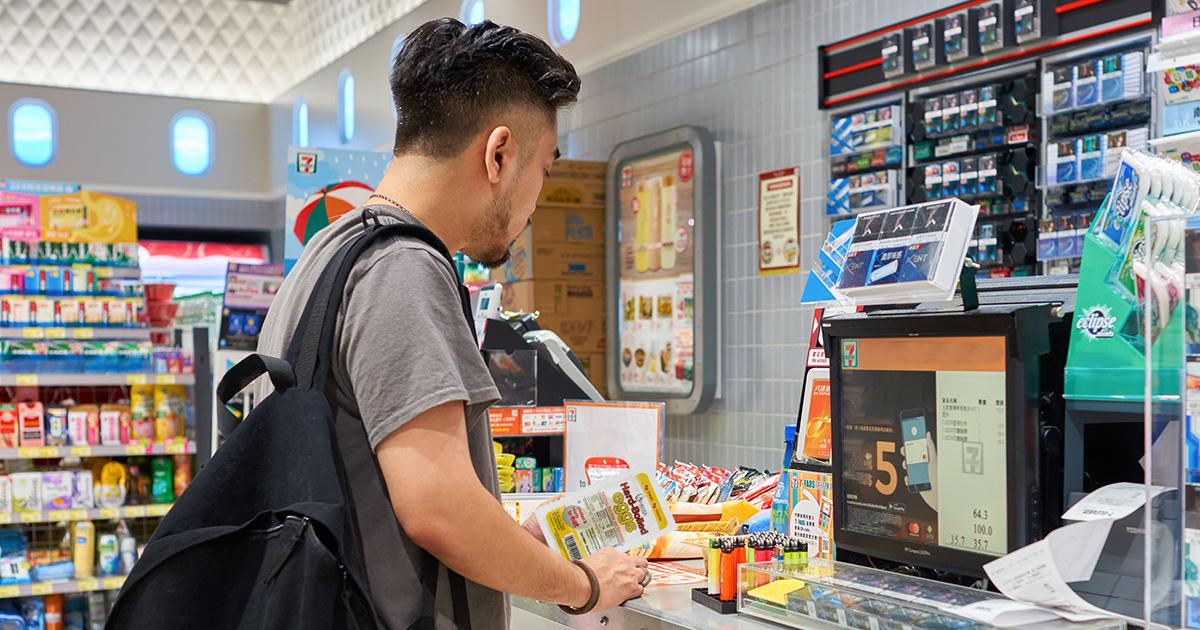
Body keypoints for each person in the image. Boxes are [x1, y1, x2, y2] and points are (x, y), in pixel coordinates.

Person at [255, 17, 649, 630]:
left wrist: (511, 542)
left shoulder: (330, 252)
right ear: (498, 154)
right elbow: (439, 509)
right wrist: (584, 585)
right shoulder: (403, 268)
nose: (537, 201)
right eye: (544, 168)